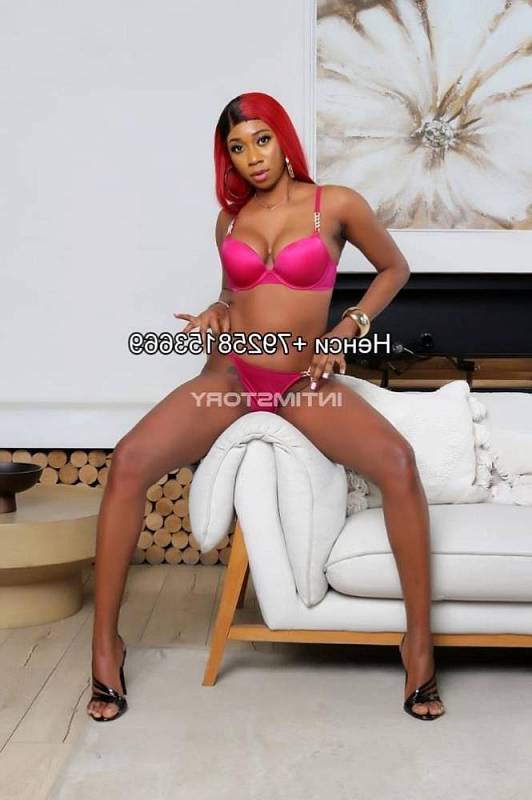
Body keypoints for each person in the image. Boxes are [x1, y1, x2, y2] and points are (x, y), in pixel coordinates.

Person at [87, 91, 445, 723]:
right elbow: (234, 294)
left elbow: (394, 269)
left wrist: (347, 329)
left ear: (282, 139)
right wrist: (215, 312)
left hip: (300, 380)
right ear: (226, 158)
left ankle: (418, 647)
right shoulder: (229, 221)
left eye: (261, 140)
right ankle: (104, 648)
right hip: (232, 373)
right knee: (128, 461)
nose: (252, 157)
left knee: (397, 462)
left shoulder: (334, 204)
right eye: (236, 147)